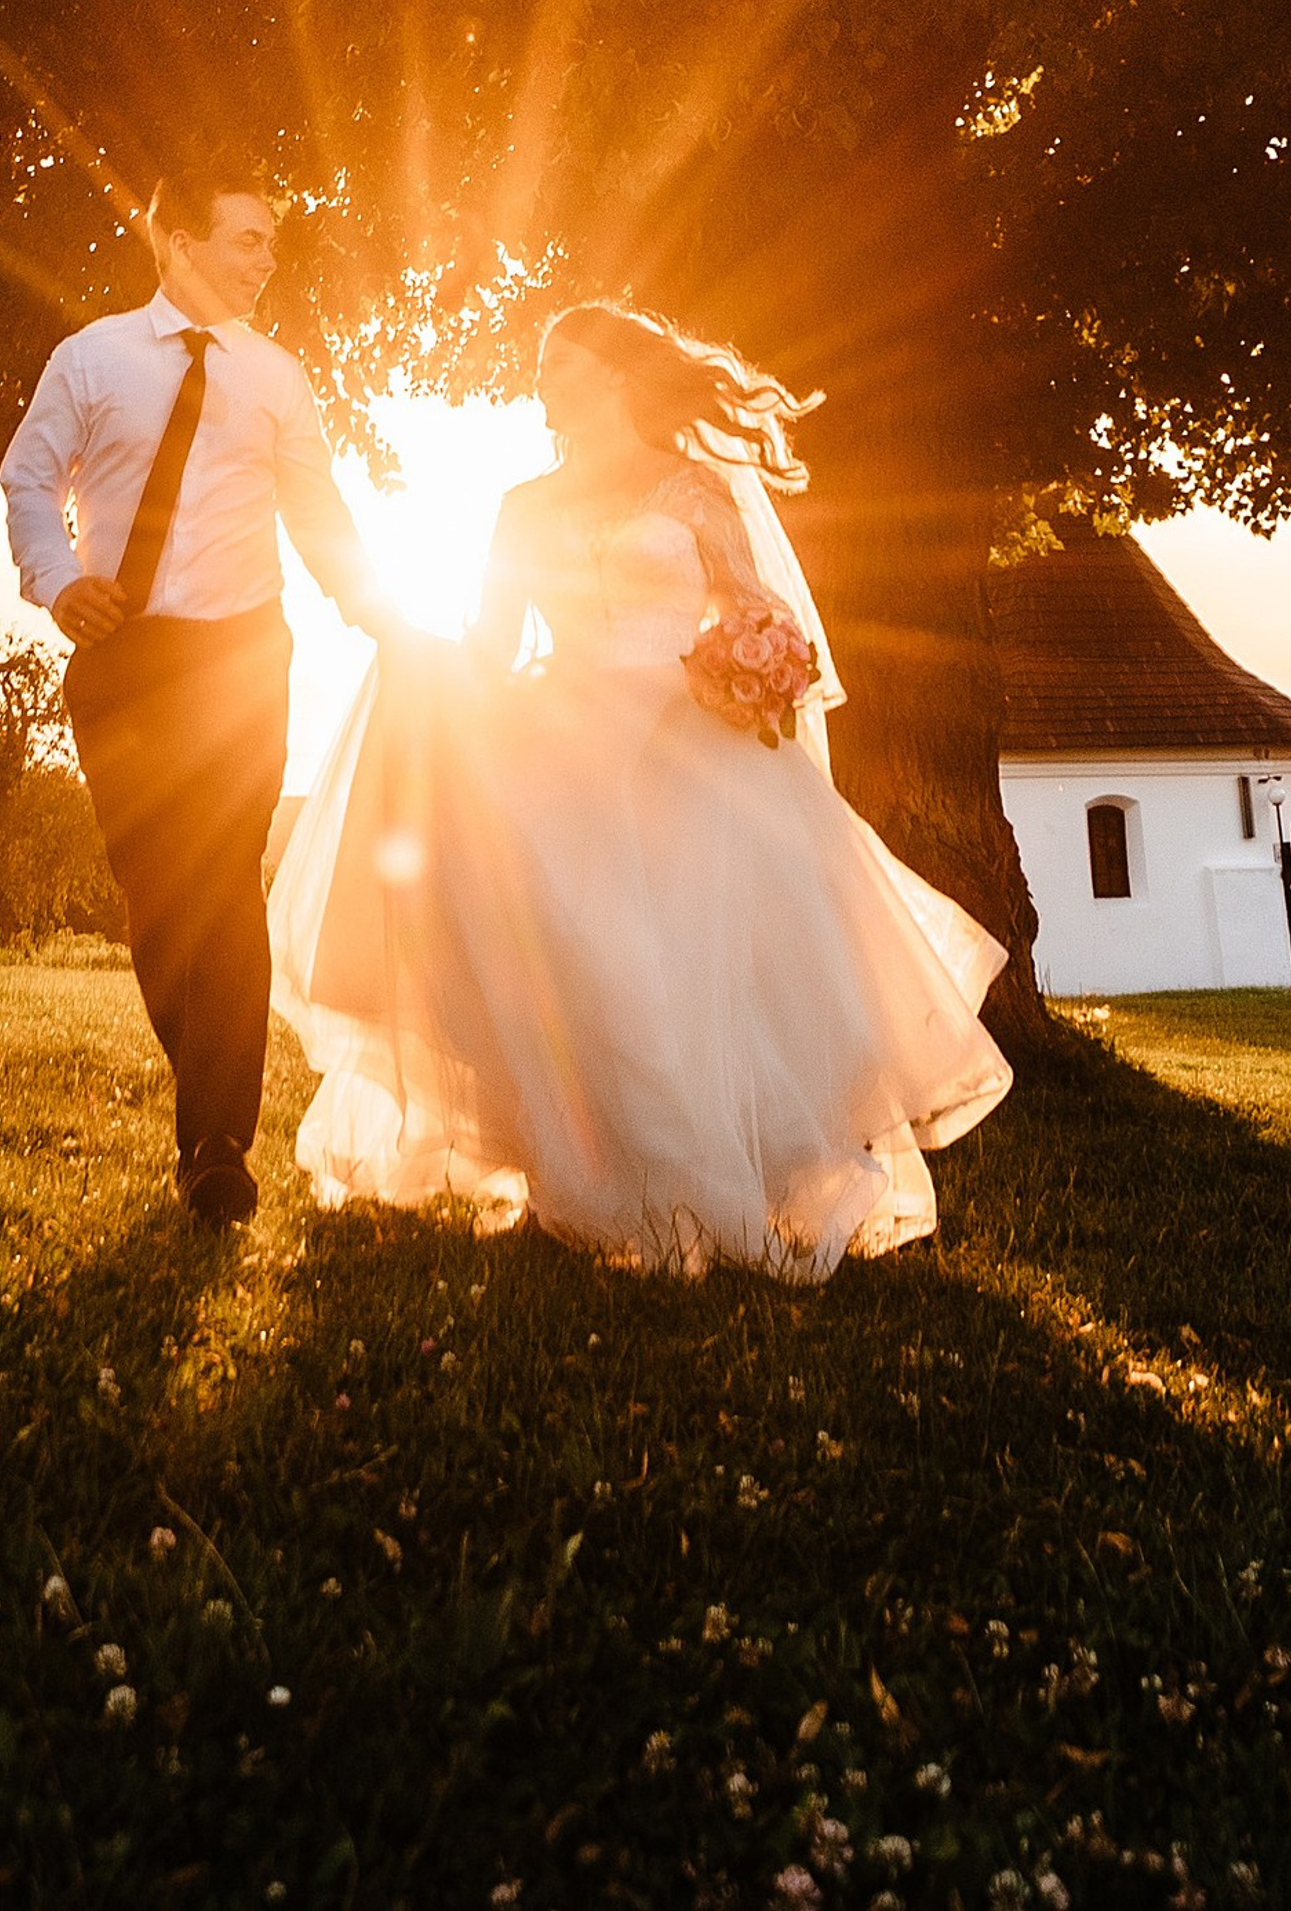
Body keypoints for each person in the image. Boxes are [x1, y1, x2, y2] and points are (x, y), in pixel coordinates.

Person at [269, 301, 1013, 1279]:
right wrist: (425, 666)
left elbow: (756, 608)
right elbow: (493, 649)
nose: (542, 382)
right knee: (577, 952)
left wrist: (755, 664)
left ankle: (726, 1177)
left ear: (615, 377)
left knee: (695, 965)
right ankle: (595, 1178)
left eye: (559, 365)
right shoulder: (521, 506)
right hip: (561, 740)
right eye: (539, 366)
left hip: (690, 741)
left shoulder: (694, 490)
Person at [2, 159, 402, 1227]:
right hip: (121, 653)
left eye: (271, 243)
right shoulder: (89, 360)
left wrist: (383, 615)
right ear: (173, 237)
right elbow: (29, 479)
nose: (266, 261)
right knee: (155, 891)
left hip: (238, 657)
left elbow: (317, 513)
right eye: (245, 239)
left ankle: (217, 1142)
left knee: (223, 877)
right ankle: (208, 1090)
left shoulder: (278, 377)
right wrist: (56, 580)